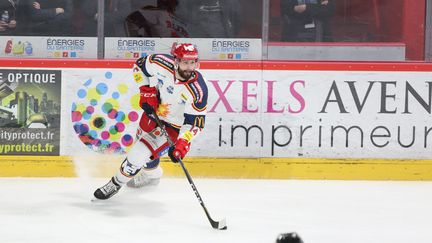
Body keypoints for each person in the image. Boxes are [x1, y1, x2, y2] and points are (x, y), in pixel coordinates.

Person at [94, 43, 208, 200]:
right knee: (145, 157)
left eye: (192, 62)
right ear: (176, 61)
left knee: (137, 155)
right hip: (153, 113)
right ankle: (153, 176)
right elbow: (138, 67)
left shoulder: (198, 91)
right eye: (185, 62)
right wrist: (145, 91)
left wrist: (183, 143)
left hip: (173, 127)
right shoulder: (161, 63)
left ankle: (115, 183)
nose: (190, 67)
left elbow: (195, 123)